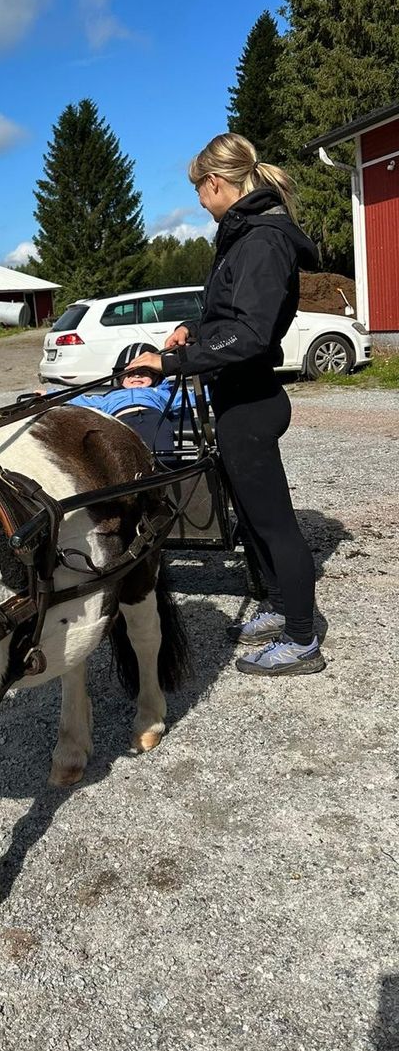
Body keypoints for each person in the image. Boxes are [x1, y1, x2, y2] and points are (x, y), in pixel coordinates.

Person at [125, 132, 324, 676]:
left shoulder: (260, 241)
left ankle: (304, 639)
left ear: (216, 183)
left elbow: (251, 334)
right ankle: (281, 606)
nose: (198, 200)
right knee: (253, 522)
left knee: (274, 522)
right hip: (237, 395)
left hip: (251, 400)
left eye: (198, 190)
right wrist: (193, 330)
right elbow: (229, 318)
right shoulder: (243, 236)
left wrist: (167, 365)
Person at [62, 342, 192, 452]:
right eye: (129, 373)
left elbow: (192, 397)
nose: (136, 376)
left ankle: (166, 475)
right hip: (118, 423)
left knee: (163, 456)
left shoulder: (164, 392)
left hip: (154, 420)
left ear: (156, 376)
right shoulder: (109, 397)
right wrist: (46, 394)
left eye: (143, 372)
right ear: (119, 378)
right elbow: (76, 399)